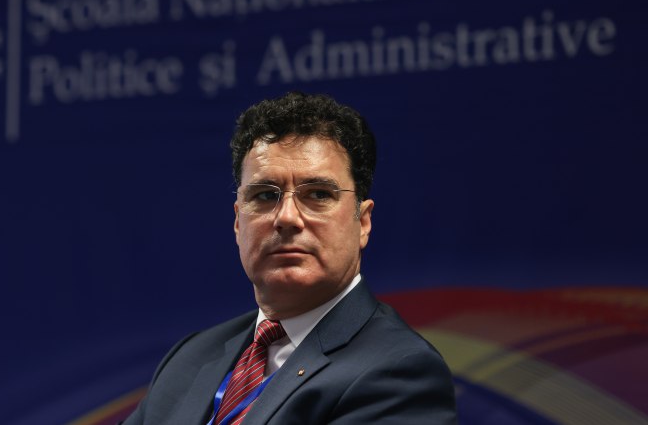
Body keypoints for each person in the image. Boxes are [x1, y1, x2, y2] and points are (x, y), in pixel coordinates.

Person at [123, 92, 457, 424]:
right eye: (265, 195)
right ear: (238, 222)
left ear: (363, 222)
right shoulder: (189, 358)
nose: (287, 217)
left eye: (318, 194)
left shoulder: (400, 370)